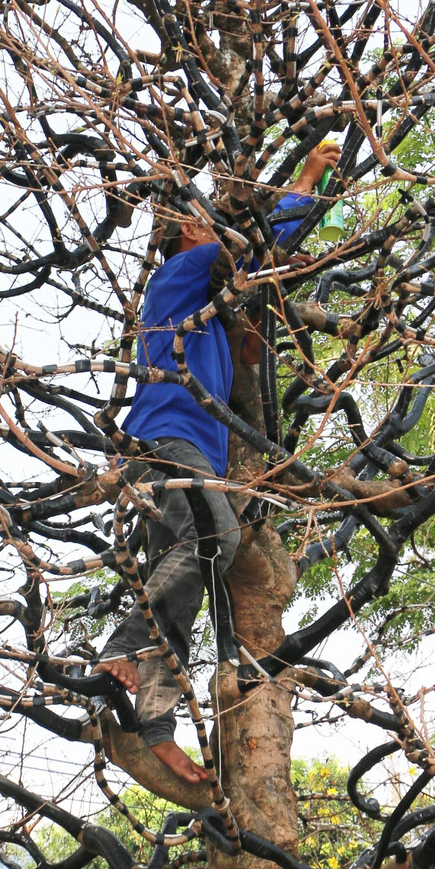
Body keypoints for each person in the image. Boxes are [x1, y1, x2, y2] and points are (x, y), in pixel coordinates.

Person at [97, 142, 340, 788]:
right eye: (208, 222)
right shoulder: (176, 275)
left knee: (182, 589)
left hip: (186, 453)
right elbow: (261, 240)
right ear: (185, 230)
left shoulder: (206, 313)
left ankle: (154, 728)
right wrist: (308, 176)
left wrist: (267, 297)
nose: (216, 230)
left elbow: (251, 334)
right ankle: (120, 646)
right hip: (163, 442)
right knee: (216, 538)